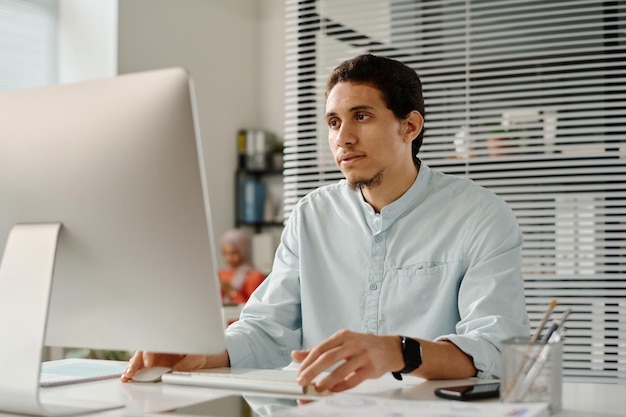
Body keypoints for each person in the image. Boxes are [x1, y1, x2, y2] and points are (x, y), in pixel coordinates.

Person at [122, 54, 529, 393]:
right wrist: (201, 352)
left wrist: (399, 351)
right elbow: (267, 329)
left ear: (410, 126)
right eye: (334, 122)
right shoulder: (309, 216)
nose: (343, 137)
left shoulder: (480, 216)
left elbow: (494, 349)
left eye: (362, 116)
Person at [218, 228, 265, 304]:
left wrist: (231, 291)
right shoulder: (221, 275)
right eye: (225, 253)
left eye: (234, 253)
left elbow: (253, 308)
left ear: (244, 251)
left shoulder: (255, 276)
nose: (229, 258)